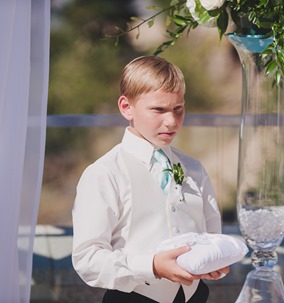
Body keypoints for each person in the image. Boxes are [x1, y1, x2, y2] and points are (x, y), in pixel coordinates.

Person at [72, 56, 229, 303]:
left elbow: (211, 235)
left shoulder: (194, 169)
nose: (172, 121)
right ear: (126, 107)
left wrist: (215, 259)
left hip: (194, 297)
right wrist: (152, 266)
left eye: (178, 109)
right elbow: (88, 258)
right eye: (158, 110)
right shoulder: (104, 173)